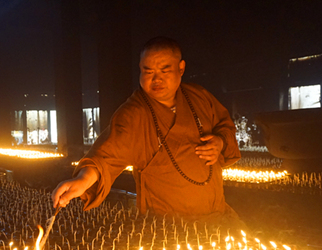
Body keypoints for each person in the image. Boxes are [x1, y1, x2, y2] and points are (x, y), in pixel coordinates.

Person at [52, 36, 243, 226]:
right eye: (148, 71)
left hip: (217, 218)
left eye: (165, 70)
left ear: (181, 68)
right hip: (166, 228)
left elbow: (225, 128)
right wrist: (83, 179)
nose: (156, 78)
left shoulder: (200, 97)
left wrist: (220, 142)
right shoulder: (134, 113)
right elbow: (107, 155)